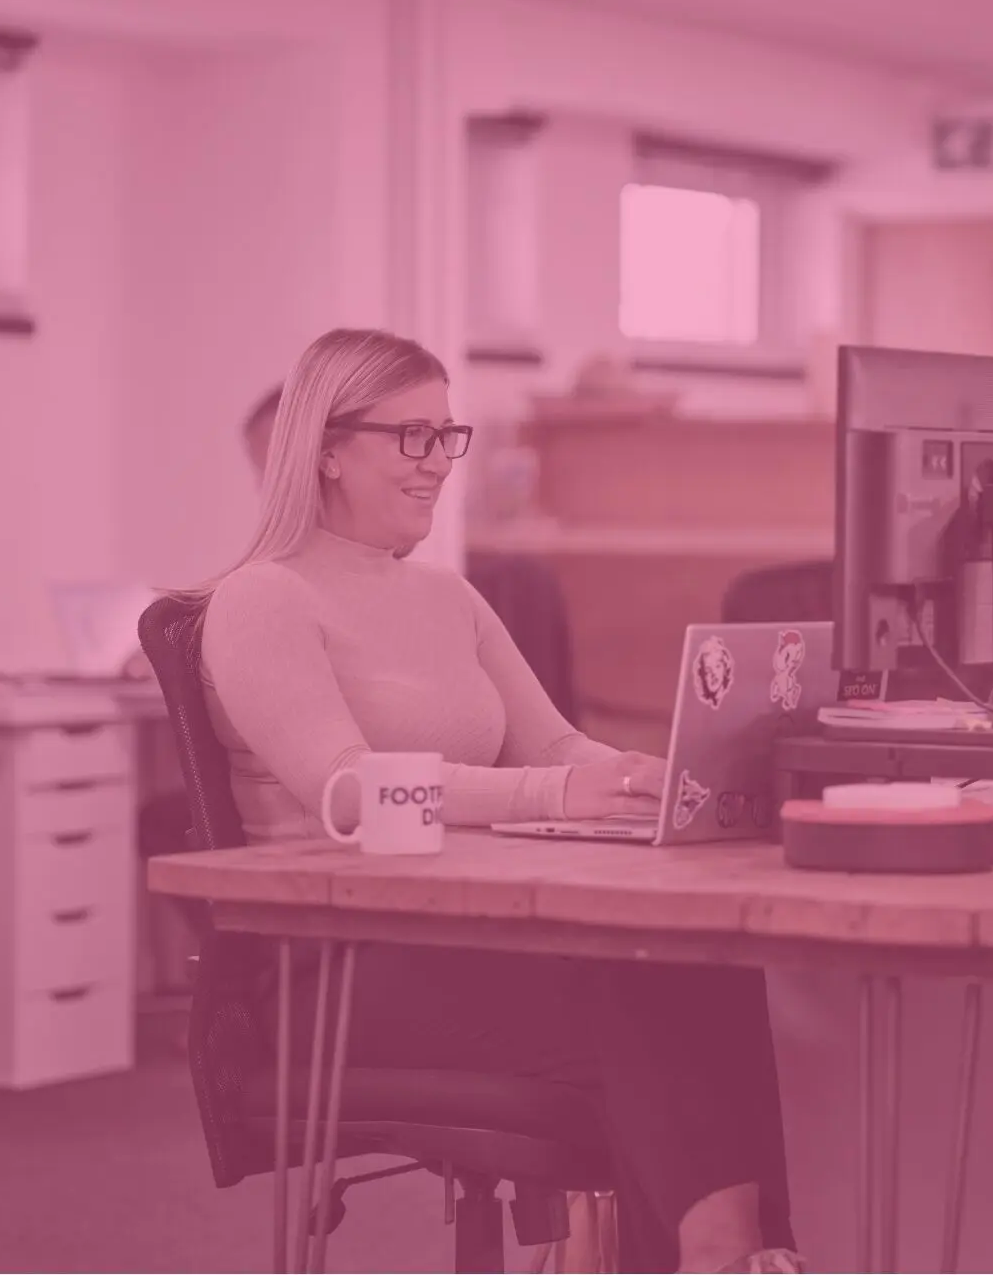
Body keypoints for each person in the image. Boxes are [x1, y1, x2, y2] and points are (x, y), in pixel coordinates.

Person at [190, 329, 800, 1274]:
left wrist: (659, 778)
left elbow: (553, 743)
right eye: (412, 439)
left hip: (459, 939)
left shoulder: (449, 599)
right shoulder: (260, 600)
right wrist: (556, 789)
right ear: (326, 452)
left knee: (704, 961)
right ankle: (719, 1261)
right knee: (642, 984)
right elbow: (351, 794)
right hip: (337, 971)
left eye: (447, 437)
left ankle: (747, 1257)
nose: (438, 465)